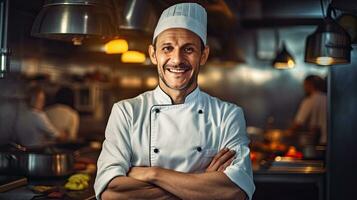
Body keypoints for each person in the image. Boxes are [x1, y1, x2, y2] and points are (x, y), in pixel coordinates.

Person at [94, 3, 255, 200]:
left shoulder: (227, 115)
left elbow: (235, 192)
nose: (177, 59)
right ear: (154, 54)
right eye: (167, 48)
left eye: (188, 49)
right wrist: (202, 183)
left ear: (203, 55)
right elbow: (110, 192)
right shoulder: (126, 112)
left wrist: (153, 173)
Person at [290, 75, 327, 144]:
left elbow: (298, 123)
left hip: (317, 142)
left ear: (310, 85)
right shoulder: (327, 98)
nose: (304, 87)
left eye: (305, 85)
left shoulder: (310, 101)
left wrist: (287, 134)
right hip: (331, 141)